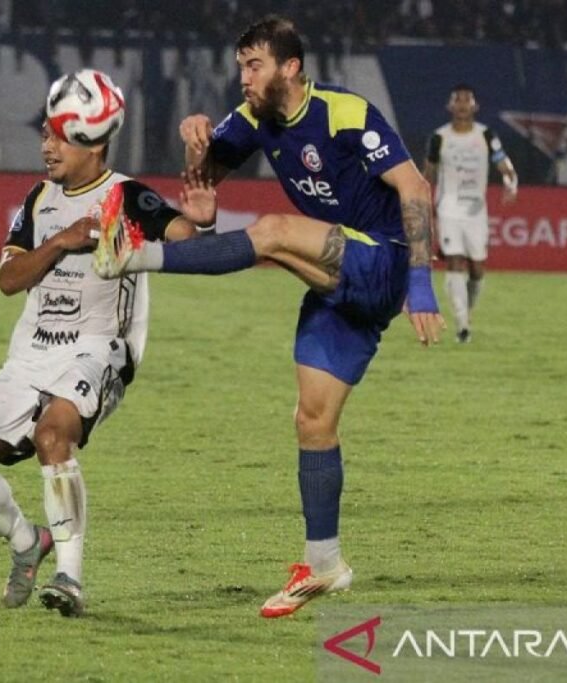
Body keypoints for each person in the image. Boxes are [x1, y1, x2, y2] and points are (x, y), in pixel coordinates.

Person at [93, 15, 444, 618]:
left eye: (253, 65)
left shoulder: (344, 113)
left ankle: (135, 255)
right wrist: (196, 155)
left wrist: (421, 283)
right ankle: (325, 563)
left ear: (290, 67)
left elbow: (415, 189)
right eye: (239, 67)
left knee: (275, 232)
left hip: (382, 261)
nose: (243, 78)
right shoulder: (250, 120)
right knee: (312, 421)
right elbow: (203, 199)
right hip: (336, 287)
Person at [0, 75, 210, 618]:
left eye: (59, 137)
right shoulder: (37, 199)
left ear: (94, 140)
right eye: (45, 134)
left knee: (53, 434)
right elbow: (8, 279)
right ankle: (26, 543)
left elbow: (186, 240)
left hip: (99, 347)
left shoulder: (127, 196)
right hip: (32, 351)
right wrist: (61, 241)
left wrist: (200, 221)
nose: (46, 147)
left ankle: (70, 576)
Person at [422, 84, 517, 343]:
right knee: (453, 260)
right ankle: (462, 324)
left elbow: (505, 167)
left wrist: (511, 184)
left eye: (467, 100)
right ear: (450, 106)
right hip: (449, 208)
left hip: (476, 210)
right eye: (458, 100)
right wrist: (419, 201)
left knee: (477, 268)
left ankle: (468, 309)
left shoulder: (486, 135)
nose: (463, 105)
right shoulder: (439, 138)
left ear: (475, 106)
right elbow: (428, 175)